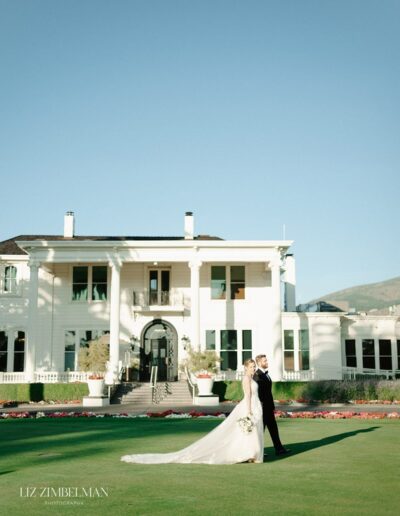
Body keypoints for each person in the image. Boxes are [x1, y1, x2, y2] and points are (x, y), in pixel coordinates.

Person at [121, 359, 264, 465]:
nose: (253, 369)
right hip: (248, 405)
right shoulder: (246, 379)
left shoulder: (252, 378)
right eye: (251, 367)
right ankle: (249, 453)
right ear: (245, 368)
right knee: (246, 429)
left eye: (254, 367)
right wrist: (249, 410)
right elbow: (248, 395)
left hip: (255, 405)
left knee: (250, 430)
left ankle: (251, 453)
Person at [253, 354, 290, 456]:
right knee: (261, 430)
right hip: (263, 408)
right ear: (259, 363)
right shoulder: (257, 375)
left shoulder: (265, 374)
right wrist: (261, 407)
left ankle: (279, 449)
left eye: (266, 360)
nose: (267, 362)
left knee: (273, 428)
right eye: (265, 361)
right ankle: (258, 451)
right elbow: (258, 393)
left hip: (269, 407)